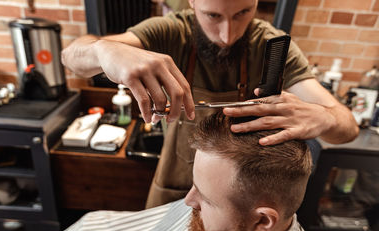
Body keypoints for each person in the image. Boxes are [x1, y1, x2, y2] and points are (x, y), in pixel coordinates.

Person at [61, 0, 359, 207]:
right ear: (191, 3)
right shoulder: (169, 32)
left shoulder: (273, 47)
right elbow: (71, 57)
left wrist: (327, 119)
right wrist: (104, 51)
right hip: (173, 184)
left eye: (243, 13)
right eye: (213, 16)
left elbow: (348, 128)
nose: (227, 35)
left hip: (237, 198)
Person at [16, 112, 328, 231]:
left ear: (262, 221)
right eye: (195, 186)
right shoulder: (234, 222)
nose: (187, 201)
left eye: (205, 200)